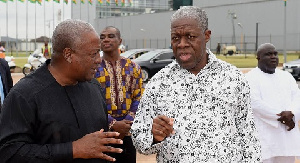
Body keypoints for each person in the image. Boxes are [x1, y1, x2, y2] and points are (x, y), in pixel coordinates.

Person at [130, 6, 261, 162]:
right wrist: (154, 137)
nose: (181, 44)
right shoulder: (158, 84)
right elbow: (139, 139)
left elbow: (248, 137)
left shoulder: (233, 78)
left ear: (206, 35)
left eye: (190, 36)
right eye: (175, 38)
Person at [0, 19, 124, 162]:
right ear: (68, 54)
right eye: (93, 54)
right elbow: (9, 153)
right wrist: (73, 149)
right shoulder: (25, 95)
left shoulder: (94, 88)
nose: (98, 60)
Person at [95, 26, 144, 163]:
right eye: (102, 37)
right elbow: (90, 102)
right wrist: (113, 123)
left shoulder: (133, 67)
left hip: (128, 132)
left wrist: (126, 124)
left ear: (120, 40)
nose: (106, 40)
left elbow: (139, 97)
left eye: (111, 36)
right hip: (102, 131)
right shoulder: (93, 67)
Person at [245, 43, 300, 163]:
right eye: (268, 54)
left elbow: (297, 98)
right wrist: (283, 117)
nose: (273, 57)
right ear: (258, 58)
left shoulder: (286, 77)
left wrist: (292, 114)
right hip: (264, 135)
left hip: (287, 135)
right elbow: (255, 104)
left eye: (275, 54)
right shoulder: (250, 78)